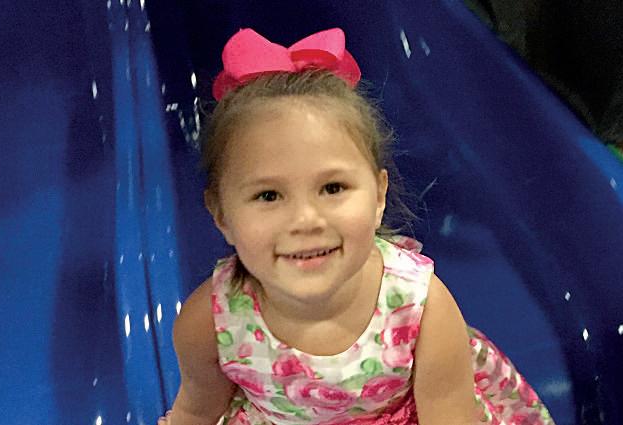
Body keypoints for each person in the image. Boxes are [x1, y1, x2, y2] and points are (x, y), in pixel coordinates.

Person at [159, 28, 555, 425]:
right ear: (222, 215)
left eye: (332, 188)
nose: (305, 219)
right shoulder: (209, 322)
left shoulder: (420, 308)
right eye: (268, 195)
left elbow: (450, 415)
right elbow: (198, 408)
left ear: (379, 196)